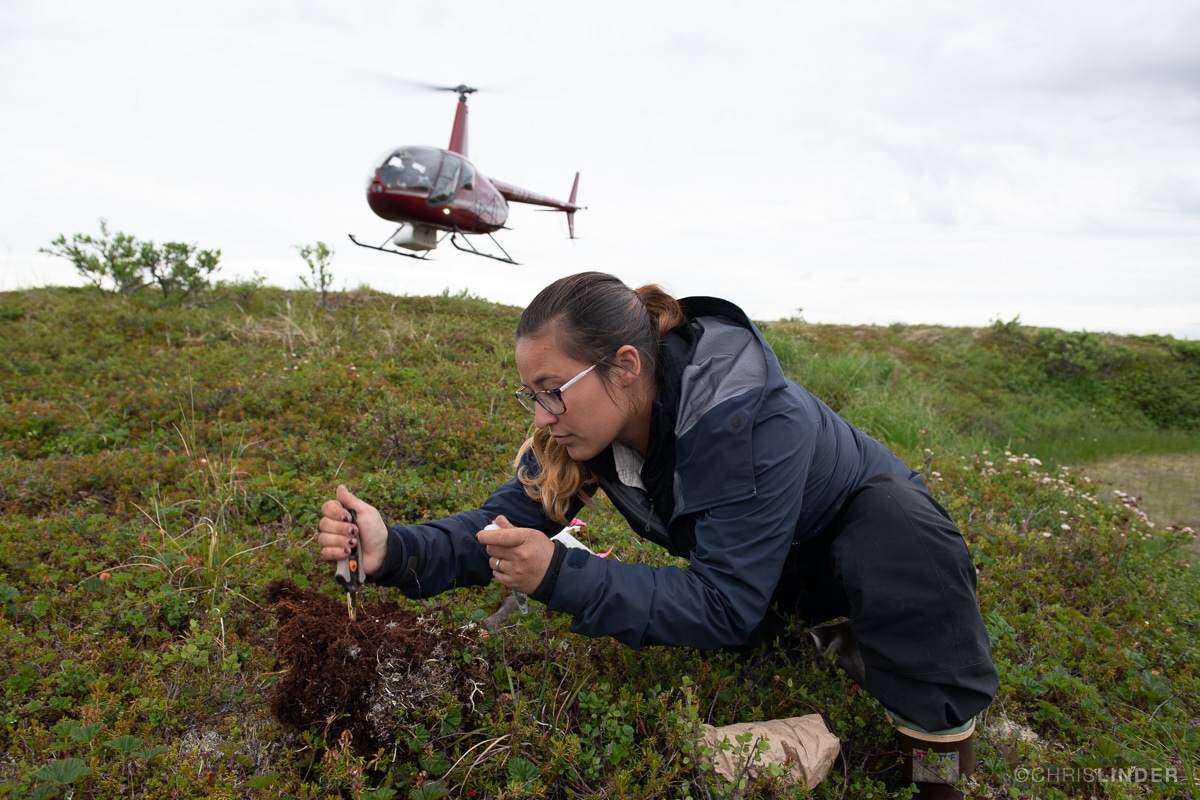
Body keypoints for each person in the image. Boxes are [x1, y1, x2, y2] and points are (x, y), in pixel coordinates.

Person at [316, 271, 997, 798]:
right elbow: (500, 526)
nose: (544, 415)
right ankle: (816, 635)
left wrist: (560, 575)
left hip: (866, 552)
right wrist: (394, 548)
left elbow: (724, 604)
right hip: (766, 571)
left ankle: (931, 743)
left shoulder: (742, 417)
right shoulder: (588, 424)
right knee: (753, 615)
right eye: (532, 394)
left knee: (895, 532)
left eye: (553, 389)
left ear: (626, 366)